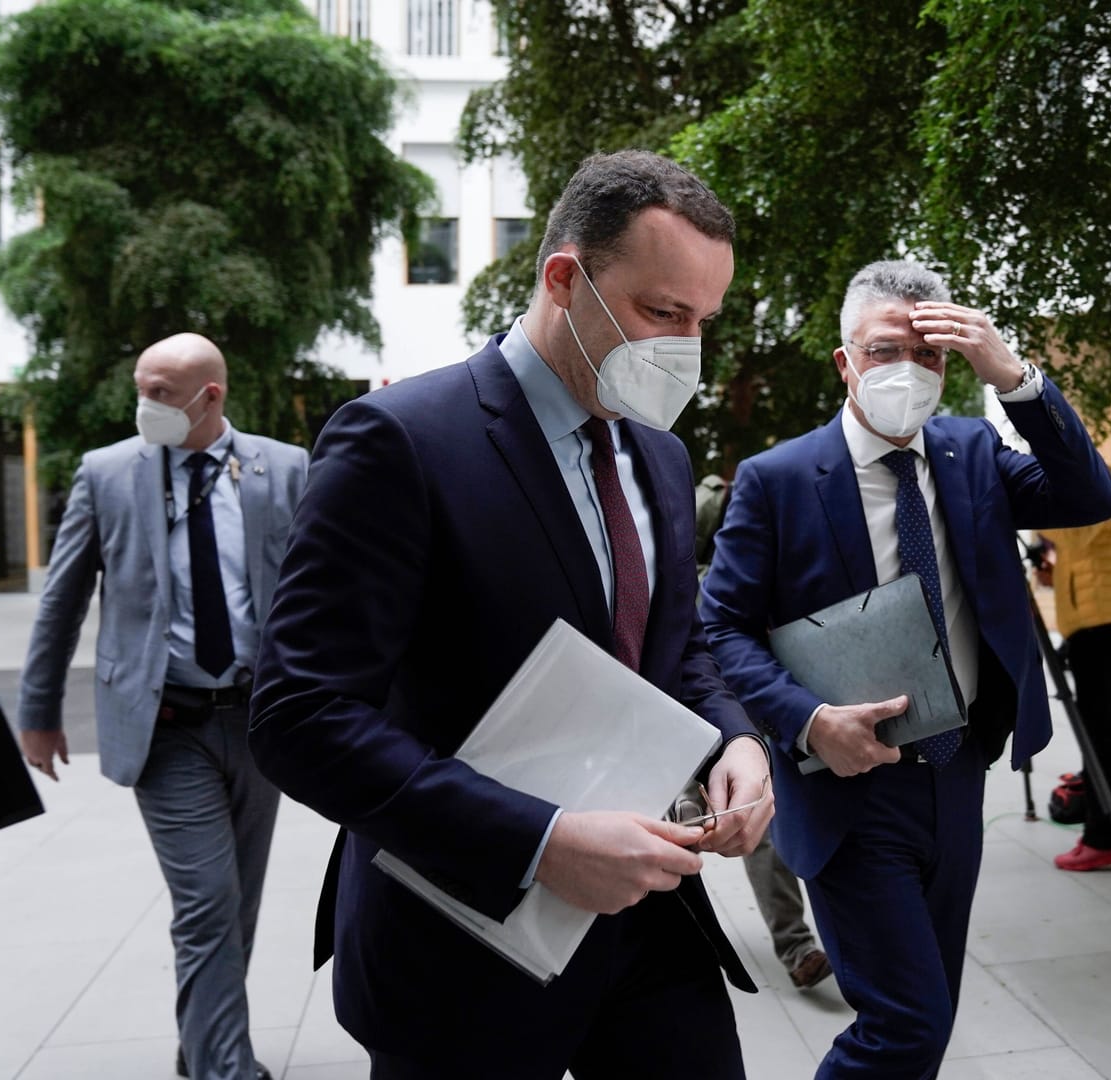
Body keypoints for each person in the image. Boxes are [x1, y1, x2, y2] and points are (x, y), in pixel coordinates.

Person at [248, 150, 774, 1080]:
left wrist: (735, 740)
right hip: (460, 941)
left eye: (703, 320)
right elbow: (299, 718)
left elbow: (672, 647)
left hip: (650, 925)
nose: (686, 347)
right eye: (663, 311)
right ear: (565, 279)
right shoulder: (400, 441)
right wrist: (538, 843)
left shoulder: (660, 455)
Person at [701, 260, 1111, 1076]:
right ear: (845, 360)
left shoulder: (970, 452)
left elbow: (1088, 496)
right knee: (907, 1025)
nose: (911, 370)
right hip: (848, 792)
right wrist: (809, 720)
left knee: (928, 1019)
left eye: (931, 354)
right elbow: (721, 630)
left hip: (958, 772)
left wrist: (1015, 377)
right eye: (887, 349)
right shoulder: (777, 479)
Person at [17, 333, 309, 1080]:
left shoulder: (283, 469)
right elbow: (62, 599)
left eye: (160, 393)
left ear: (210, 397)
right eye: (140, 389)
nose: (144, 405)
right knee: (207, 900)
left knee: (238, 899)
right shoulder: (108, 473)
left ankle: (202, 1039)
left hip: (258, 720)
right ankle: (224, 1068)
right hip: (165, 725)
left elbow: (318, 589)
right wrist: (38, 710)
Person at [696, 475, 832, 991]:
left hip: (779, 701)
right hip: (716, 702)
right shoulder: (708, 566)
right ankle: (793, 944)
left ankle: (808, 944)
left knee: (769, 817)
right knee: (733, 814)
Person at [1036, 464, 1111, 868]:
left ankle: (1104, 839)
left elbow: (1076, 536)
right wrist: (1054, 566)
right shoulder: (1091, 478)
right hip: (1099, 623)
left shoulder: (1102, 481)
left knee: (1100, 735)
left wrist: (1027, 511)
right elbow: (1078, 550)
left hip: (1100, 627)